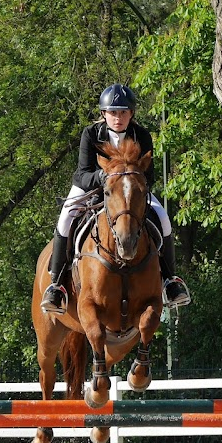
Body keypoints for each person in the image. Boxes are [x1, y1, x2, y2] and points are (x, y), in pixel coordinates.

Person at [40, 83, 191, 315]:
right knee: (65, 218)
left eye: (122, 112)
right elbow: (81, 174)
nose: (117, 118)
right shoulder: (91, 134)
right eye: (113, 112)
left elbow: (148, 175)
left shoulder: (141, 135)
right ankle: (56, 284)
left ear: (131, 113)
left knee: (163, 218)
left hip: (130, 192)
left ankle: (171, 281)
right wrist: (103, 177)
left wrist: (129, 183)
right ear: (104, 114)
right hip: (92, 188)